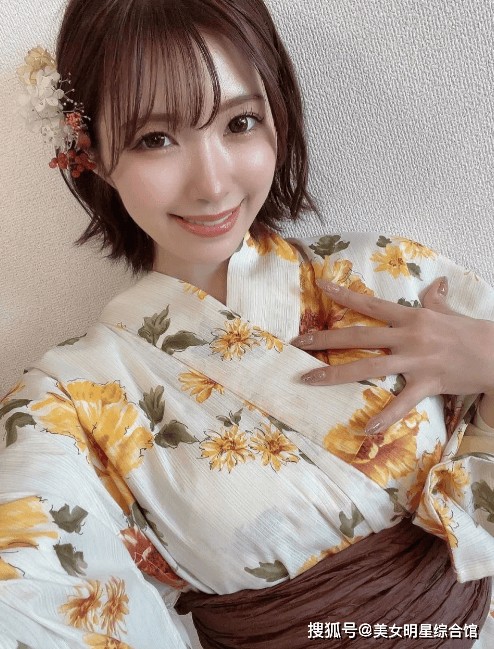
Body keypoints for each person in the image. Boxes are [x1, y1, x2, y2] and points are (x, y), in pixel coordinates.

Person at [3, 0, 494, 647]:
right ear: (88, 150)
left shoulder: (391, 273)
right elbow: (27, 590)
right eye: (155, 138)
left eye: (240, 123)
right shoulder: (69, 398)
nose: (212, 184)